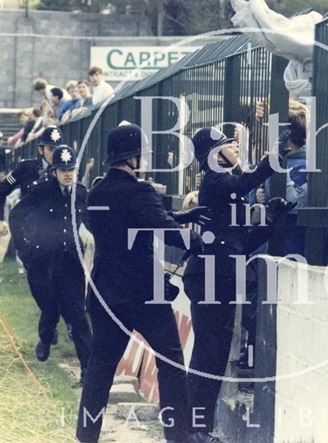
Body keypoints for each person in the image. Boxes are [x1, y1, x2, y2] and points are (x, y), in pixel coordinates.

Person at [76, 123, 204, 443]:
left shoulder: (96, 192)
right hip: (145, 293)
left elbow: (130, 222)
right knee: (171, 362)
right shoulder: (140, 191)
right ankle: (178, 435)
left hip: (106, 291)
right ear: (133, 158)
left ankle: (85, 434)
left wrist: (181, 215)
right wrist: (196, 238)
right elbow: (164, 229)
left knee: (100, 368)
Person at [183, 127, 290, 442]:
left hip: (219, 279)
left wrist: (270, 219)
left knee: (212, 357)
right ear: (215, 154)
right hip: (210, 279)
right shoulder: (217, 182)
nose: (234, 147)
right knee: (208, 356)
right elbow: (246, 180)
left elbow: (241, 241)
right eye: (228, 144)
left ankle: (196, 428)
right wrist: (274, 158)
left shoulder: (225, 189)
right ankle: (194, 429)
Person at [9, 145, 92, 371]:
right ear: (54, 171)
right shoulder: (41, 191)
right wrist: (24, 250)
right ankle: (45, 339)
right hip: (45, 264)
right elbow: (16, 216)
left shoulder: (81, 193)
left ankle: (87, 370)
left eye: (72, 169)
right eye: (63, 169)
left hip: (72, 264)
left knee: (78, 315)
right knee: (50, 310)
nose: (68, 174)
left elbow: (92, 222)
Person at [0, 126, 63, 236]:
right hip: (28, 232)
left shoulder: (66, 172)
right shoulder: (26, 168)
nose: (54, 154)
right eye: (50, 149)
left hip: (55, 233)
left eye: (57, 150)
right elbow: (1, 190)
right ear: (41, 150)